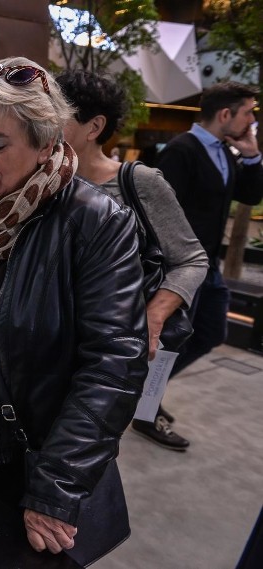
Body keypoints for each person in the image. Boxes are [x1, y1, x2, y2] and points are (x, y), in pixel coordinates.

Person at [0, 57, 149, 558]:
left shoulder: (95, 222)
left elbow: (114, 365)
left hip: (23, 471)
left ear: (44, 144)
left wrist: (56, 487)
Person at [55, 70, 209, 450]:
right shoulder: (45, 181)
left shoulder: (139, 182)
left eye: (56, 114)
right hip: (55, 344)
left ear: (94, 126)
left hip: (109, 349)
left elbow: (191, 259)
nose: (44, 123)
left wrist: (154, 317)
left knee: (85, 447)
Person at [153, 81, 263, 448]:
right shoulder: (181, 150)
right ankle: (145, 409)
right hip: (181, 268)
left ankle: (147, 396)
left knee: (211, 332)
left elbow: (249, 195)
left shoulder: (227, 151)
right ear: (226, 114)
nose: (252, 121)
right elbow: (159, 214)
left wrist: (251, 156)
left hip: (208, 266)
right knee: (169, 342)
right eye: (248, 112)